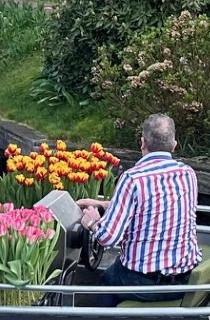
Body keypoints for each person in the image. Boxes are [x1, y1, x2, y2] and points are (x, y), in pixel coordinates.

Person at [79, 112, 201, 300]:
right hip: (184, 281)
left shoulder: (133, 179)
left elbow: (107, 238)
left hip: (145, 283)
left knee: (106, 281)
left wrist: (92, 222)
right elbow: (154, 205)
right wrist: (103, 204)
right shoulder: (187, 174)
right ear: (174, 145)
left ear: (142, 142)